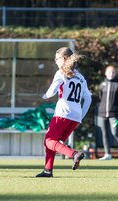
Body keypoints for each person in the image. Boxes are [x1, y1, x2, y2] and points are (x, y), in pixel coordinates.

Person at [36, 47, 92, 178]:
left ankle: (74, 154)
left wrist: (43, 96)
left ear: (64, 59)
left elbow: (52, 91)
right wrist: (81, 117)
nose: (56, 62)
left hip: (63, 113)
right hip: (75, 117)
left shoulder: (61, 72)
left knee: (49, 141)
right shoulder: (81, 77)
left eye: (57, 59)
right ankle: (47, 170)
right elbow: (88, 98)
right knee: (55, 142)